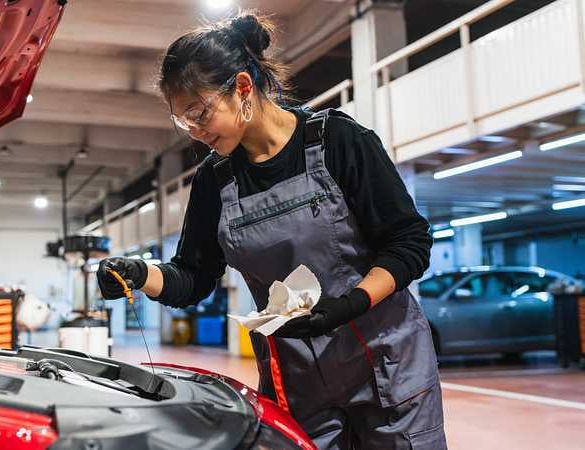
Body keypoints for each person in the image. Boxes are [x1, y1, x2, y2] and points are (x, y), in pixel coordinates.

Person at [97, 11, 446, 449]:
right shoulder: (214, 179)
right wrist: (137, 273)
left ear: (243, 87)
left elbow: (409, 243)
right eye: (182, 122)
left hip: (387, 365)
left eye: (200, 113)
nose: (195, 131)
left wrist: (349, 304)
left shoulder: (338, 140)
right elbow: (193, 276)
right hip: (298, 381)